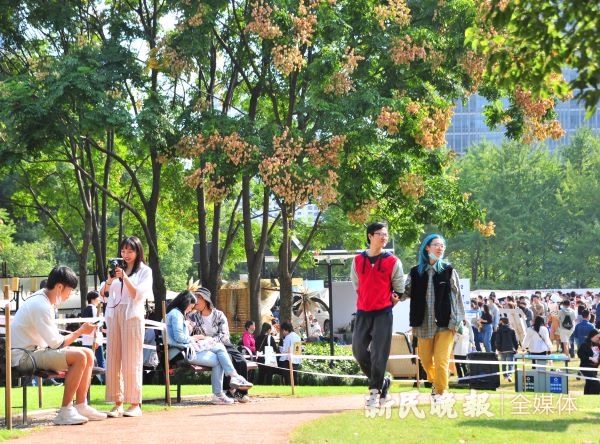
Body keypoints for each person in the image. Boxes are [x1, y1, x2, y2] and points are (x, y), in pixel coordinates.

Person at [10, 266, 107, 425]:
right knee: (80, 356)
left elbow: (54, 341)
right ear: (59, 287)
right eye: (69, 291)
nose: (69, 296)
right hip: (24, 357)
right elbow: (57, 344)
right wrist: (80, 331)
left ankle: (81, 405)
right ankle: (65, 410)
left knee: (88, 354)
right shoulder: (41, 305)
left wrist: (78, 333)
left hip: (31, 352)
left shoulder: (42, 300)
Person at [402, 234, 465, 405]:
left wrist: (456, 321)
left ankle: (440, 392)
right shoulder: (416, 272)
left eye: (442, 245)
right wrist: (393, 293)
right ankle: (437, 381)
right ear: (427, 248)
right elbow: (404, 292)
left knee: (441, 360)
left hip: (445, 324)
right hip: (422, 324)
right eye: (436, 245)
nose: (440, 248)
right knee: (425, 360)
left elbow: (457, 297)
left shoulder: (449, 270)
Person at [350, 221, 405, 409]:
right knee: (357, 350)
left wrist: (395, 299)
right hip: (363, 312)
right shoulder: (357, 261)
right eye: (380, 234)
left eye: (386, 234)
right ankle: (382, 382)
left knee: (379, 354)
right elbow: (357, 286)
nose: (384, 237)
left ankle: (374, 392)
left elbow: (399, 289)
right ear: (370, 236)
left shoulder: (393, 261)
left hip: (383, 313)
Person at [165, 290, 252, 404]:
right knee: (221, 356)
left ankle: (231, 389)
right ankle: (227, 388)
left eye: (197, 300)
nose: (192, 308)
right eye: (192, 305)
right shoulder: (184, 315)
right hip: (185, 349)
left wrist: (206, 339)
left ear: (206, 300)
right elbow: (180, 336)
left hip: (210, 343)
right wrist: (195, 337)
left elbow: (225, 336)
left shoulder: (218, 314)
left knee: (237, 359)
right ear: (186, 303)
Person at [101, 236, 153, 418]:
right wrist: (110, 278)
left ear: (138, 251)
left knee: (132, 359)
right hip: (114, 315)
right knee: (113, 359)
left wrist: (125, 277)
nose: (126, 254)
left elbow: (137, 295)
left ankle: (135, 403)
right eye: (123, 251)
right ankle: (117, 403)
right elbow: (103, 295)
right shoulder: (116, 270)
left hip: (132, 315)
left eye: (130, 251)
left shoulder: (145, 271)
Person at [81, 290, 105, 383]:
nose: (99, 299)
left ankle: (88, 380)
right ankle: (104, 381)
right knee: (100, 361)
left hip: (86, 340)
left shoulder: (85, 310)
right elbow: (96, 325)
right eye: (98, 297)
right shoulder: (94, 309)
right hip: (94, 340)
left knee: (88, 361)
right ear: (93, 299)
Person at [495, 317, 519, 382]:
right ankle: (510, 375)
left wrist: (498, 348)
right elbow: (515, 341)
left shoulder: (499, 330)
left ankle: (505, 376)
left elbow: (497, 341)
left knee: (503, 363)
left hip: (502, 349)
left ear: (502, 322)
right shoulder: (512, 330)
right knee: (510, 363)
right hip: (511, 349)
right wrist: (516, 348)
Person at [577, 329, 600, 394]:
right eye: (597, 337)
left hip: (594, 368)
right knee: (596, 383)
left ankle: (587, 398)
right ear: (591, 336)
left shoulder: (598, 345)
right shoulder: (584, 345)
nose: (598, 338)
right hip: (585, 367)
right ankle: (593, 399)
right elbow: (580, 355)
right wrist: (591, 358)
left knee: (589, 383)